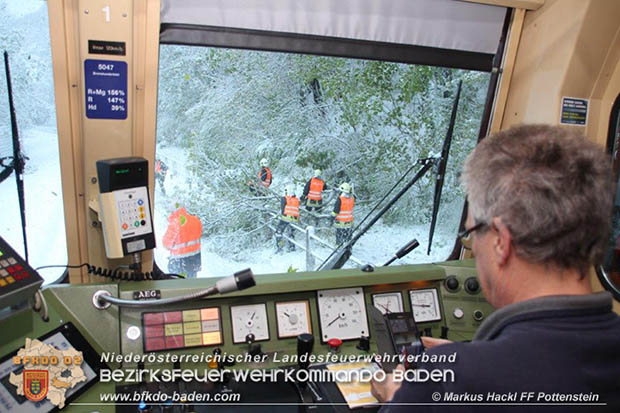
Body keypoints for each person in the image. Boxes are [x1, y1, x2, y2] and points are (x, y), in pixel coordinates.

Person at [371, 124, 620, 412]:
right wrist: (472, 354)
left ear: (501, 241)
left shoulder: (447, 383)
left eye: (473, 232)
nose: (473, 246)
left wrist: (397, 398)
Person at [162, 203, 202, 278]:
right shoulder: (196, 220)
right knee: (192, 284)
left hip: (179, 262)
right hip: (194, 260)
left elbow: (166, 244)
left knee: (178, 285)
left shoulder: (175, 223)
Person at [275, 184, 299, 253]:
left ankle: (280, 247)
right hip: (294, 219)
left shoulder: (284, 198)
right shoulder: (296, 199)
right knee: (291, 233)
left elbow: (283, 210)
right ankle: (292, 247)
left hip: (285, 218)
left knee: (278, 233)